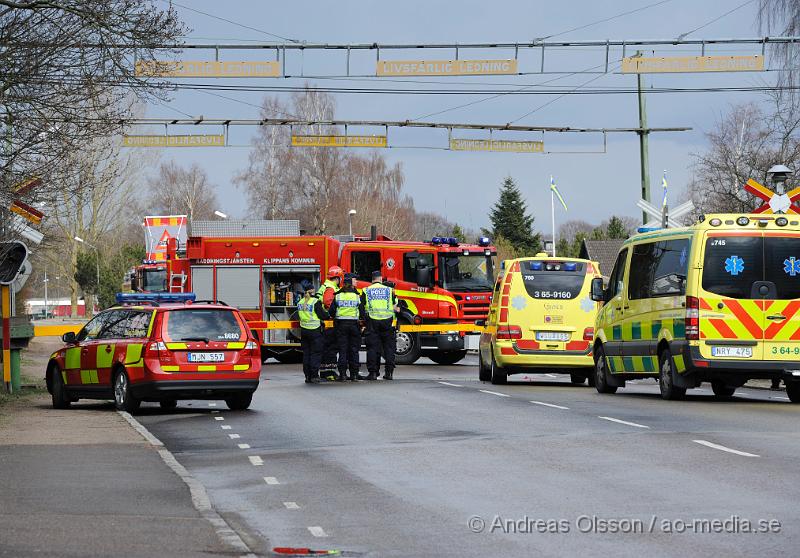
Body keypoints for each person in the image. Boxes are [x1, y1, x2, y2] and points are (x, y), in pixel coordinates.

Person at [361, 270, 400, 380]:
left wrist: (364, 320)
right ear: (381, 278)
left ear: (372, 279)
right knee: (389, 348)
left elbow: (361, 306)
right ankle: (389, 373)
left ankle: (373, 373)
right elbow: (394, 304)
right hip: (387, 322)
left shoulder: (366, 290)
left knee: (373, 348)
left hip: (372, 322)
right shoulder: (389, 290)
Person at [330, 273, 365, 382]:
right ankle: (354, 375)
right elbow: (362, 313)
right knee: (354, 350)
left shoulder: (338, 296)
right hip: (354, 325)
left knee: (342, 350)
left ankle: (343, 375)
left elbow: (331, 312)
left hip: (341, 325)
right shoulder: (356, 296)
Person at [297, 280, 329, 384]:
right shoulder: (315, 302)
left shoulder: (300, 302)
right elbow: (323, 315)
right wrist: (328, 315)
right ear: (312, 291)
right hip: (315, 331)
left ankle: (307, 376)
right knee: (315, 354)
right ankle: (314, 376)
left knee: (306, 354)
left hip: (304, 331)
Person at [318, 266, 343, 381]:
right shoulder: (331, 287)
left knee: (326, 348)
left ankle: (324, 372)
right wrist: (336, 312)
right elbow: (328, 302)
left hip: (324, 323)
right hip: (329, 323)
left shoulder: (326, 285)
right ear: (337, 278)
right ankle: (330, 373)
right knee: (331, 348)